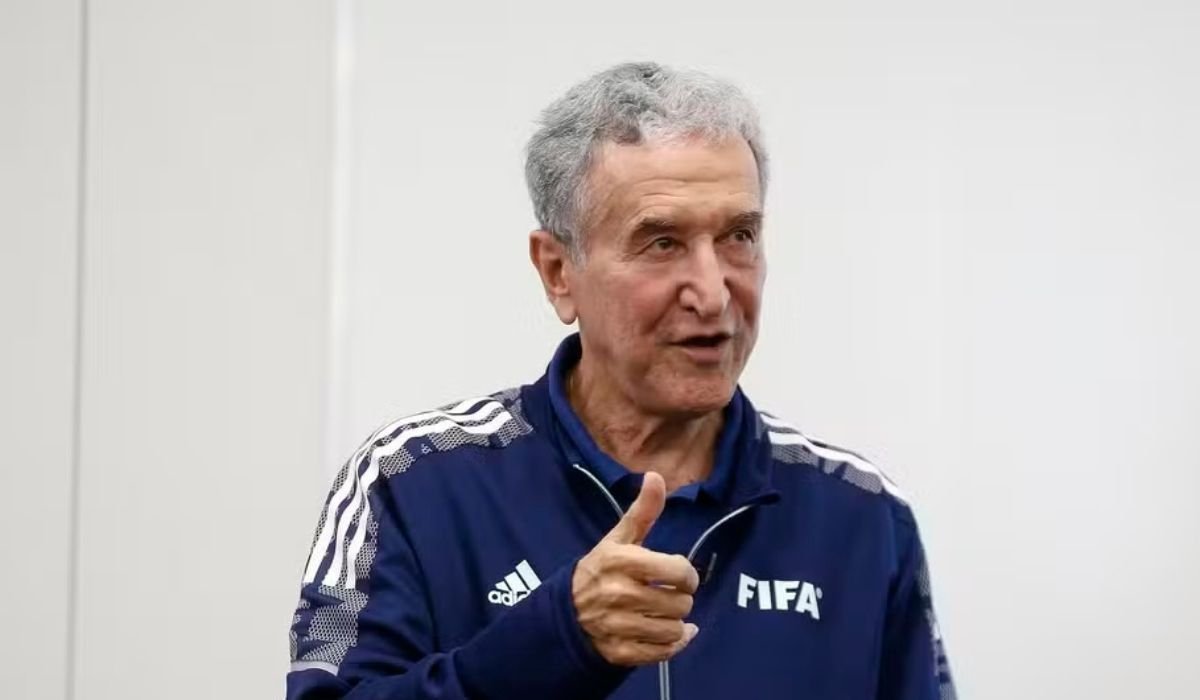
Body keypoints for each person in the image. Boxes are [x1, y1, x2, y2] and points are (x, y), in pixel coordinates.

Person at [287, 62, 955, 700]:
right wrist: (557, 638)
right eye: (662, 243)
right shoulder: (413, 481)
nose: (713, 293)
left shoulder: (861, 516)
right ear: (558, 272)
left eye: (738, 237)